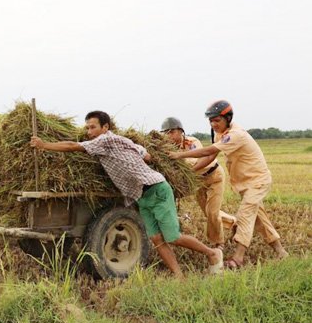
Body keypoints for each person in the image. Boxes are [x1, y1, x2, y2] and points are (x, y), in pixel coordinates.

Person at [30, 110, 223, 278]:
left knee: (172, 237)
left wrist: (43, 144)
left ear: (105, 127)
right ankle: (179, 275)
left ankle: (211, 253)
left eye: (93, 128)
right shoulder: (123, 140)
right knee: (156, 239)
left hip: (156, 190)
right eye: (87, 128)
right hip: (142, 196)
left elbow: (73, 146)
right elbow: (146, 154)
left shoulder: (105, 140)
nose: (89, 133)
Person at [169, 100, 288, 269]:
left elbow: (208, 151)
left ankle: (238, 258)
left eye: (217, 120)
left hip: (257, 181)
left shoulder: (235, 135)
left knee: (245, 215)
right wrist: (191, 171)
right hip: (244, 183)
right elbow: (211, 157)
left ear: (228, 118)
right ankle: (281, 251)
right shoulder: (221, 134)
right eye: (211, 120)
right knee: (260, 219)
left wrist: (178, 156)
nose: (213, 124)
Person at [161, 117, 237, 248]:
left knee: (213, 212)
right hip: (197, 182)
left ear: (180, 132)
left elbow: (199, 159)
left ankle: (218, 243)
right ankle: (234, 222)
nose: (168, 135)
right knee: (209, 213)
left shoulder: (192, 142)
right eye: (165, 132)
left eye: (171, 132)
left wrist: (184, 166)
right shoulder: (166, 149)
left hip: (214, 176)